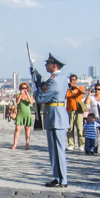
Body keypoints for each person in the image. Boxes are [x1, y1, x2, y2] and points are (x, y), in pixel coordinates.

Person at [34, 53, 68, 187]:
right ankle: (59, 177)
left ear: (54, 65)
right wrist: (36, 76)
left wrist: (35, 90)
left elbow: (41, 98)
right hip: (56, 115)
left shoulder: (54, 80)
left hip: (55, 117)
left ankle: (61, 179)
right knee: (56, 149)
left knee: (56, 150)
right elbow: (44, 86)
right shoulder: (61, 78)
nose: (45, 66)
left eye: (47, 63)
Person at [65, 74, 87, 151]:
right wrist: (68, 88)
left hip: (78, 110)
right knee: (70, 128)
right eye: (71, 80)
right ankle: (71, 144)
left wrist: (76, 87)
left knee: (79, 128)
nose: (72, 81)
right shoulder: (67, 90)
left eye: (74, 80)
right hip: (70, 110)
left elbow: (84, 92)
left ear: (76, 80)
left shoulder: (80, 88)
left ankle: (81, 144)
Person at [11, 83, 34, 150]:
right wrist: (21, 95)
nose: (24, 89)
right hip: (20, 113)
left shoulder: (30, 95)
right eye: (22, 88)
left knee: (27, 128)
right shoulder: (18, 95)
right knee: (17, 128)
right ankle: (15, 143)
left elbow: (31, 102)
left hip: (27, 113)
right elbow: (17, 102)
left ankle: (27, 144)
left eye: (25, 88)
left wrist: (27, 94)